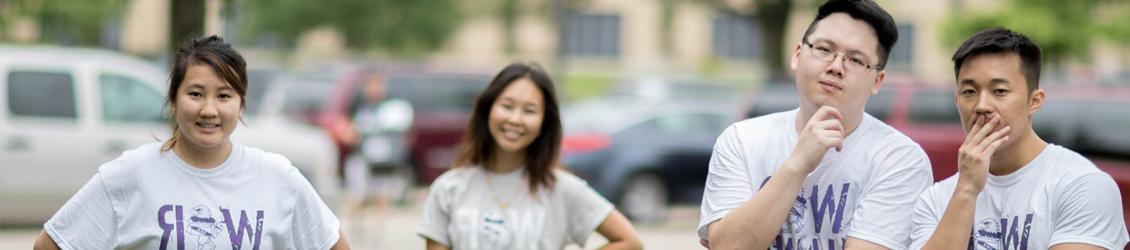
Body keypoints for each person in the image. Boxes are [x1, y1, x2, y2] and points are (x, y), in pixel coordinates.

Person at [33, 35, 349, 250]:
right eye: (195, 94)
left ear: (240, 104)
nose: (208, 109)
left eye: (224, 96)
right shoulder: (130, 173)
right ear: (173, 100)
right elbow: (52, 244)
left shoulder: (278, 178)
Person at [698, 0, 934, 249]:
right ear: (797, 55)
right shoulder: (741, 140)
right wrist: (797, 164)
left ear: (877, 81)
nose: (836, 67)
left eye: (855, 60)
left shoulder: (899, 159)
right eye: (823, 49)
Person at [910, 28, 1129, 249]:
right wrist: (966, 189)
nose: (982, 105)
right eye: (969, 92)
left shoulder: (1081, 184)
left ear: (1034, 101)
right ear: (956, 100)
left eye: (1000, 91)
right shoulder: (936, 199)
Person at [416, 61, 642, 250]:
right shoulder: (449, 189)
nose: (515, 119)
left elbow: (629, 242)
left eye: (529, 111)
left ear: (544, 122)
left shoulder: (562, 189)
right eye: (507, 106)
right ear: (488, 110)